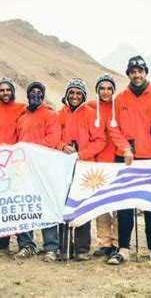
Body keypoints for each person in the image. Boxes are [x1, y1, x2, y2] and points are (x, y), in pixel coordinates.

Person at [106, 55, 151, 265]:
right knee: (125, 205)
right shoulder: (120, 98)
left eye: (140, 71)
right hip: (125, 159)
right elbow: (112, 127)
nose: (137, 75)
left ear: (146, 73)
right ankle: (123, 249)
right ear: (129, 74)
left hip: (150, 158)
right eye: (133, 71)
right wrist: (124, 147)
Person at [57, 78, 106, 261]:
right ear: (67, 94)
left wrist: (82, 154)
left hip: (85, 167)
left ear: (83, 95)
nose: (75, 96)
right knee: (64, 206)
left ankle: (82, 248)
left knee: (82, 206)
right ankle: (64, 247)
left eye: (78, 93)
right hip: (64, 166)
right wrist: (62, 146)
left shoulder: (92, 114)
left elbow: (100, 140)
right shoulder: (60, 114)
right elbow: (53, 137)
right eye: (72, 92)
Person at [15, 81, 62, 262]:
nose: (35, 95)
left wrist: (30, 149)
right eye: (32, 92)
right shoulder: (22, 118)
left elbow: (53, 139)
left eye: (38, 92)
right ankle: (27, 245)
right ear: (27, 95)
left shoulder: (50, 115)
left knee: (46, 206)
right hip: (23, 170)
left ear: (43, 95)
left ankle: (51, 247)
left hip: (44, 169)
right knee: (25, 206)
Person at [0, 77, 27, 256]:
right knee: (0, 204)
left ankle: (23, 242)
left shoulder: (22, 108)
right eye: (1, 90)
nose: (5, 93)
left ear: (13, 91)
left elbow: (37, 110)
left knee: (18, 203)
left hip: (17, 163)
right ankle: (2, 244)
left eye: (8, 90)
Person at [87, 74, 120, 257]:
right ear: (97, 90)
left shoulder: (119, 107)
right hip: (97, 162)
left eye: (109, 88)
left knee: (116, 203)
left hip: (116, 161)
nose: (105, 92)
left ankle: (118, 242)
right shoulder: (90, 107)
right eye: (102, 88)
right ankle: (105, 242)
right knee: (101, 205)